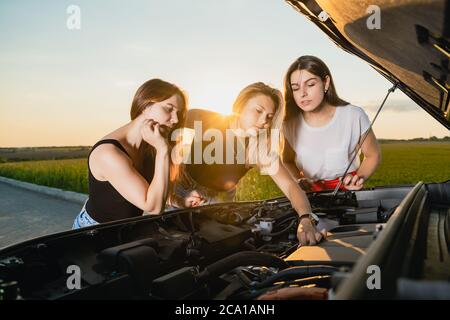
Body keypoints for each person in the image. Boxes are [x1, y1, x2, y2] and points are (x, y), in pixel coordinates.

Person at [170, 82, 326, 246]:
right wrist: (171, 168)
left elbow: (290, 186)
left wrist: (305, 218)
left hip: (219, 203)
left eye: (269, 116)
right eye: (258, 111)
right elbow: (167, 128)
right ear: (240, 105)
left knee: (206, 247)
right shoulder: (203, 118)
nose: (263, 121)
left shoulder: (259, 148)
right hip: (181, 190)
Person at [72, 79, 187, 229]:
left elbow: (155, 190)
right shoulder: (109, 153)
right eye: (169, 109)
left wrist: (181, 201)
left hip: (126, 230)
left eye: (178, 112)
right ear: (146, 106)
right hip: (94, 233)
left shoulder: (150, 143)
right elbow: (153, 207)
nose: (176, 119)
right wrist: (163, 150)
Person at [282, 56, 381, 192]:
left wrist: (358, 178)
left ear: (326, 82)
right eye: (296, 88)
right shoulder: (289, 123)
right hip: (311, 197)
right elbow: (287, 160)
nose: (303, 94)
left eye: (310, 84)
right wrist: (298, 180)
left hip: (348, 191)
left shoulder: (353, 115)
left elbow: (373, 155)